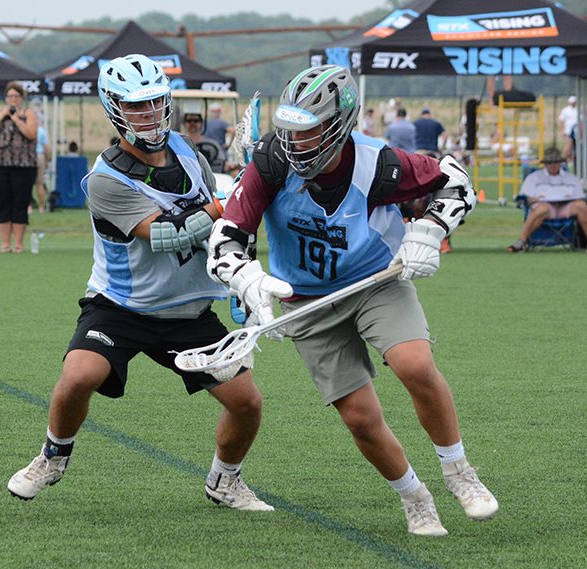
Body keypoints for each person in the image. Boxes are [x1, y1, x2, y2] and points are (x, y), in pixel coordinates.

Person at [207, 64, 496, 536]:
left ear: (340, 125)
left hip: (375, 281)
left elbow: (456, 180)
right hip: (306, 301)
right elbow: (226, 238)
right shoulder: (270, 161)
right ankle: (414, 497)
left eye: (310, 130)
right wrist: (248, 279)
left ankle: (460, 472)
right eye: (290, 130)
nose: (296, 141)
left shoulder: (379, 162)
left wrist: (429, 229)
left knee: (414, 364)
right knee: (361, 417)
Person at [7, 54, 273, 512]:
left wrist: (238, 278)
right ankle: (53, 455)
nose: (150, 115)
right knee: (77, 377)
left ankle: (224, 481)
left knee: (246, 403)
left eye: (155, 103)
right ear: (114, 109)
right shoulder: (104, 179)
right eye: (137, 107)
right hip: (121, 306)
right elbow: (167, 235)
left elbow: (224, 225)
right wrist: (225, 201)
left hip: (187, 311)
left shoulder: (188, 150)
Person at [507, 147, 587, 253]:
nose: (553, 165)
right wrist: (535, 200)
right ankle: (521, 241)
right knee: (541, 209)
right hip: (544, 208)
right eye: (550, 162)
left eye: (556, 162)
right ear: (545, 163)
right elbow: (526, 196)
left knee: (581, 206)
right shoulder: (533, 178)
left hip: (566, 208)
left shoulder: (571, 178)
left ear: (560, 162)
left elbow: (580, 197)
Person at [0, 81, 38, 253]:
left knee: (20, 201)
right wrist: (2, 116)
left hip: (23, 165)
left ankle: (19, 243)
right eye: (10, 96)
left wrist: (15, 118)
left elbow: (31, 134)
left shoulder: (28, 113)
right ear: (6, 98)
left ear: (21, 98)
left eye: (16, 96)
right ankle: (5, 242)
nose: (13, 99)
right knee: (1, 201)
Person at [565, 106, 587, 183]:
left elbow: (570, 143)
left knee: (578, 178)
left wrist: (568, 154)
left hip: (577, 156)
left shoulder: (575, 126)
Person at [34, 123, 52, 214]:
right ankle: (41, 207)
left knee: (27, 184)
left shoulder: (25, 128)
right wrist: (47, 160)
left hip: (28, 156)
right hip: (39, 156)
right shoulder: (41, 131)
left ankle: (29, 207)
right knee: (40, 184)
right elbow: (46, 148)